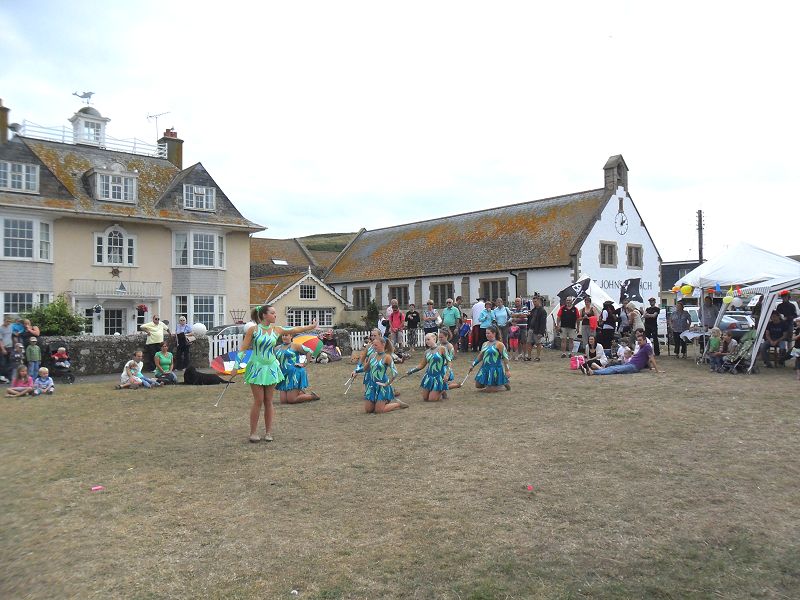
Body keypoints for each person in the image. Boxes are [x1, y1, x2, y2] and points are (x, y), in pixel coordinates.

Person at [238, 304, 317, 443]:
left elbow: (294, 329)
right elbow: (243, 348)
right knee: (258, 400)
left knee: (268, 401)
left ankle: (268, 432)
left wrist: (310, 327)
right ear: (264, 315)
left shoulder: (277, 329)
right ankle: (253, 432)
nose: (275, 315)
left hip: (272, 367)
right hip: (257, 367)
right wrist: (235, 366)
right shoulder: (253, 330)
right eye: (272, 313)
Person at [355, 335, 408, 413]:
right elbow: (365, 368)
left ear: (383, 344)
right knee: (368, 410)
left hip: (382, 385)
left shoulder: (387, 357)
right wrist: (356, 371)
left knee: (379, 411)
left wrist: (387, 383)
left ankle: (397, 404)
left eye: (375, 345)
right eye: (373, 345)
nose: (373, 347)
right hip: (372, 384)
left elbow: (395, 373)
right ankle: (380, 402)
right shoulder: (372, 356)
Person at [582, 331, 663, 375]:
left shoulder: (647, 346)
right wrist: (650, 368)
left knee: (614, 369)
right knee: (613, 367)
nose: (638, 342)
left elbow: (651, 358)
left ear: (645, 340)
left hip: (633, 366)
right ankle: (595, 370)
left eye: (640, 340)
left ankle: (593, 372)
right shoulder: (642, 347)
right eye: (638, 340)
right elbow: (647, 359)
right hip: (630, 364)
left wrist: (657, 370)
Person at [275, 332, 320, 403]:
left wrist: (304, 364)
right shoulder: (277, 348)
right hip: (284, 374)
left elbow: (309, 351)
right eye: (283, 335)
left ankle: (312, 396)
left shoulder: (295, 346)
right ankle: (300, 392)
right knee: (283, 401)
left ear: (291, 336)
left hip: (295, 373)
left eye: (286, 335)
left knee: (291, 400)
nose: (284, 337)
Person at [406, 332, 448, 402]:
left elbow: (449, 361)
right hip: (429, 376)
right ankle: (437, 389)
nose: (426, 341)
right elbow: (422, 365)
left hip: (439, 376)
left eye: (428, 339)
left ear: (434, 339)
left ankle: (442, 389)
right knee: (425, 398)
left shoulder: (442, 348)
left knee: (431, 399)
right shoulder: (426, 352)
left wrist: (447, 374)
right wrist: (411, 371)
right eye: (425, 340)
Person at [470, 325, 511, 392]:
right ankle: (498, 382)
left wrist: (507, 370)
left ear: (494, 333)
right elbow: (480, 356)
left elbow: (505, 358)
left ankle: (502, 384)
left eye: (488, 333)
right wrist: (473, 364)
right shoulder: (484, 344)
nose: (486, 335)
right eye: (486, 333)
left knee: (489, 390)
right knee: (478, 385)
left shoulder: (499, 344)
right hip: (485, 368)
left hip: (494, 369)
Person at [525, 296, 547, 362]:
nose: (534, 303)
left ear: (539, 301)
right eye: (533, 302)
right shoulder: (533, 310)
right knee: (529, 342)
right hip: (531, 329)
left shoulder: (542, 311)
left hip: (537, 330)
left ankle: (538, 357)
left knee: (538, 343)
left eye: (535, 301)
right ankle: (529, 356)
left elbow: (543, 323)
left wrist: (541, 333)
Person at [0, 315, 13, 383]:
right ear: (4, 321)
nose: (9, 323)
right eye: (7, 321)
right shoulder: (1, 328)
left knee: (10, 363)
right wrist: (3, 349)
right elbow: (0, 340)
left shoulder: (11, 327)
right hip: (3, 347)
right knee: (2, 363)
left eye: (10, 322)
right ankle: (2, 377)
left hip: (10, 347)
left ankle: (9, 377)